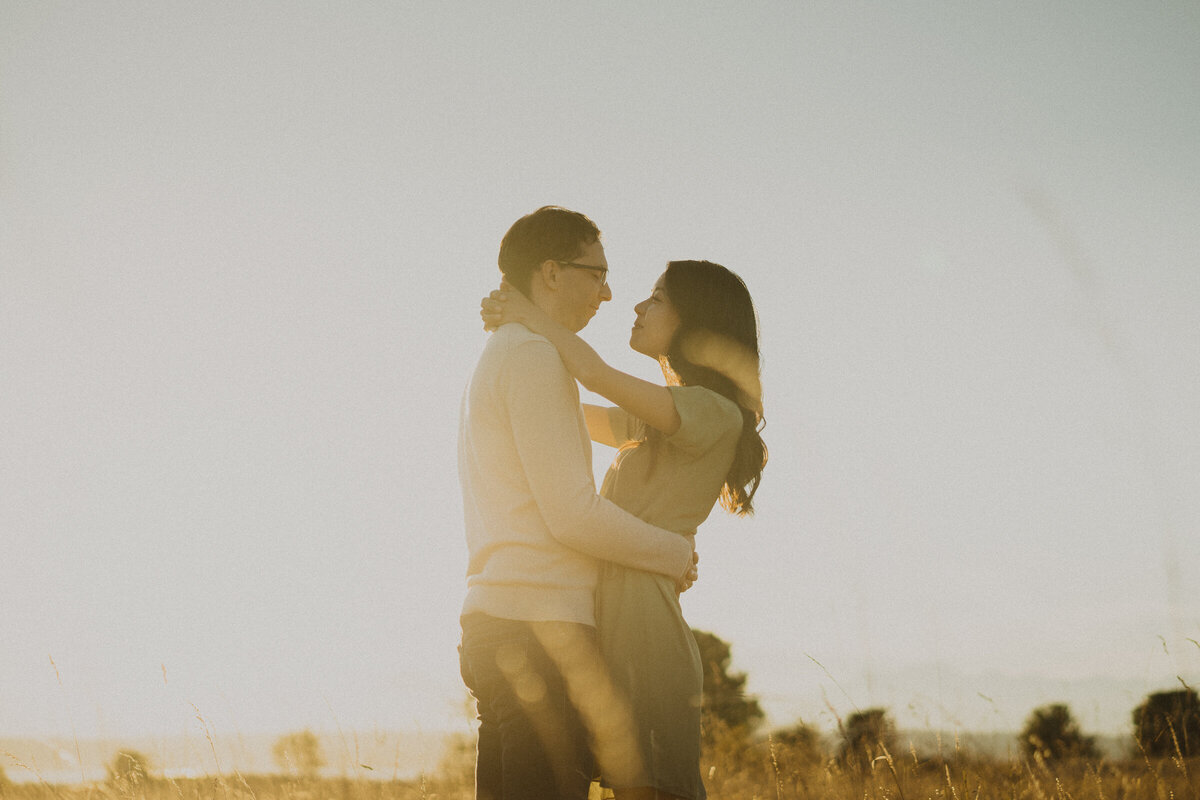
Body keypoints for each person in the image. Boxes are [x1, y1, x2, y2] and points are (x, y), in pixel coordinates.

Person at [481, 259, 767, 800]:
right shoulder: (661, 419)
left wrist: (528, 314)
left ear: (695, 319)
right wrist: (513, 365)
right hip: (605, 636)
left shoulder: (713, 413)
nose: (637, 306)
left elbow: (594, 375)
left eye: (656, 298)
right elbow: (564, 410)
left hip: (646, 640)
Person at [457, 206, 700, 800]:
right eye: (596, 274)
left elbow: (618, 424)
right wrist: (674, 553)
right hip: (537, 630)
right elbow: (572, 514)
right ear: (551, 272)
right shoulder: (532, 359)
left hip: (507, 623)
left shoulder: (518, 354)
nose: (609, 292)